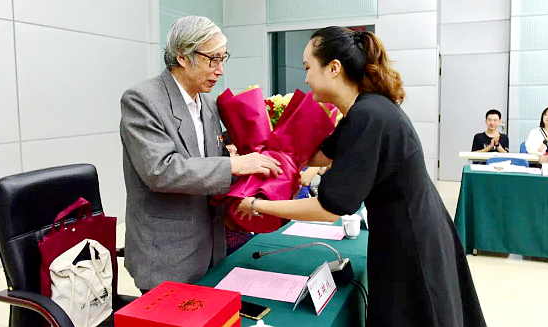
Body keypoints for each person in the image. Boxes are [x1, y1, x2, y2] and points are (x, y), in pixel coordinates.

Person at [236, 27, 486, 327]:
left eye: (308, 68)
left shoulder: (368, 116)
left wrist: (254, 204)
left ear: (333, 68)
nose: (305, 79)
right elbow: (317, 155)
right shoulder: (364, 109)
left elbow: (328, 210)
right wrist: (262, 149)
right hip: (408, 227)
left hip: (411, 242)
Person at [119, 16, 282, 292]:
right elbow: (161, 171)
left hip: (211, 247)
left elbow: (211, 162)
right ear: (182, 56)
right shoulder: (142, 100)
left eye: (223, 59)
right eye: (212, 59)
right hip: (167, 255)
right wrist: (235, 165)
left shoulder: (208, 103)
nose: (220, 70)